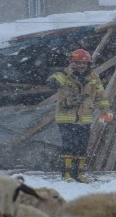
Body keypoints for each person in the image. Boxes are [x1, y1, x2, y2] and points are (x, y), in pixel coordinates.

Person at [46, 48, 112, 183]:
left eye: (84, 63)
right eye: (77, 62)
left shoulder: (93, 77)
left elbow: (101, 95)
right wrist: (67, 71)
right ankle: (66, 174)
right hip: (66, 117)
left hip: (85, 118)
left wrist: (105, 109)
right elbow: (51, 84)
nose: (82, 66)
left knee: (81, 146)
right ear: (71, 62)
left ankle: (79, 174)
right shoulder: (63, 75)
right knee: (69, 145)